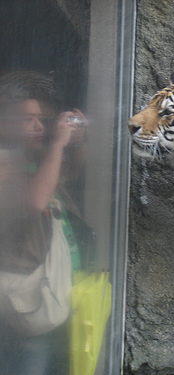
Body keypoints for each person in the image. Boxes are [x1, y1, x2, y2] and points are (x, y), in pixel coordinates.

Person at [0, 71, 89, 375]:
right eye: (28, 119)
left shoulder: (32, 157)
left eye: (41, 119)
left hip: (53, 291)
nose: (39, 126)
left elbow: (69, 175)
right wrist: (56, 146)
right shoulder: (4, 161)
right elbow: (35, 201)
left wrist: (75, 142)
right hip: (25, 302)